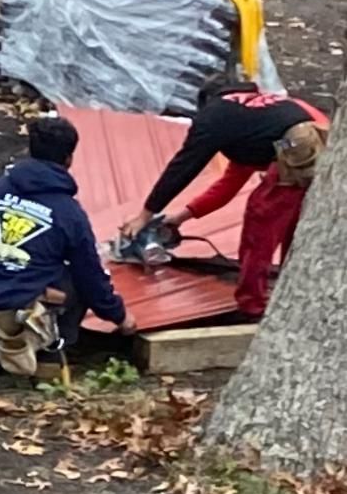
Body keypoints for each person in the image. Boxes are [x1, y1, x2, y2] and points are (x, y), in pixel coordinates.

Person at [0, 117, 135, 384]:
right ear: (69, 158)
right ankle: (47, 356)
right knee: (76, 278)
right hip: (17, 322)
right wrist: (120, 317)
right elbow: (92, 279)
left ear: (30, 150)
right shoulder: (69, 213)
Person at [123, 82, 328, 321]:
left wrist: (145, 215)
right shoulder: (254, 124)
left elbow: (182, 167)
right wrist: (181, 217)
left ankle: (251, 306)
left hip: (298, 141)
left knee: (261, 220)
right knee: (295, 219)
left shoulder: (212, 120)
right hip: (320, 132)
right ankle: (293, 290)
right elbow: (227, 187)